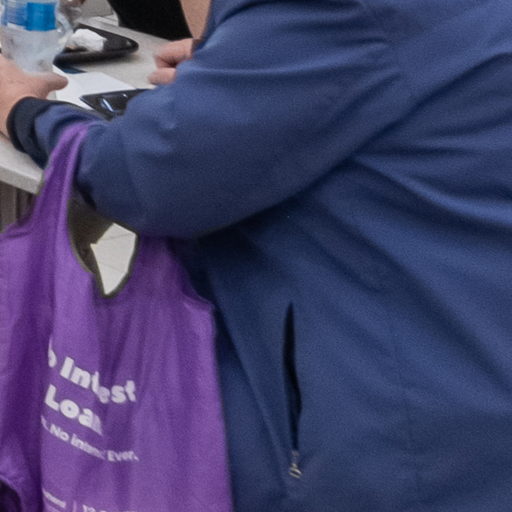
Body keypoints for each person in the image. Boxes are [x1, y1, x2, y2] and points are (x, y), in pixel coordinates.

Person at [2, 1, 512, 510]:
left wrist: (24, 110)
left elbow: (143, 177)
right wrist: (244, 61)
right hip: (465, 355)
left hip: (376, 413)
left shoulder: (331, 16)